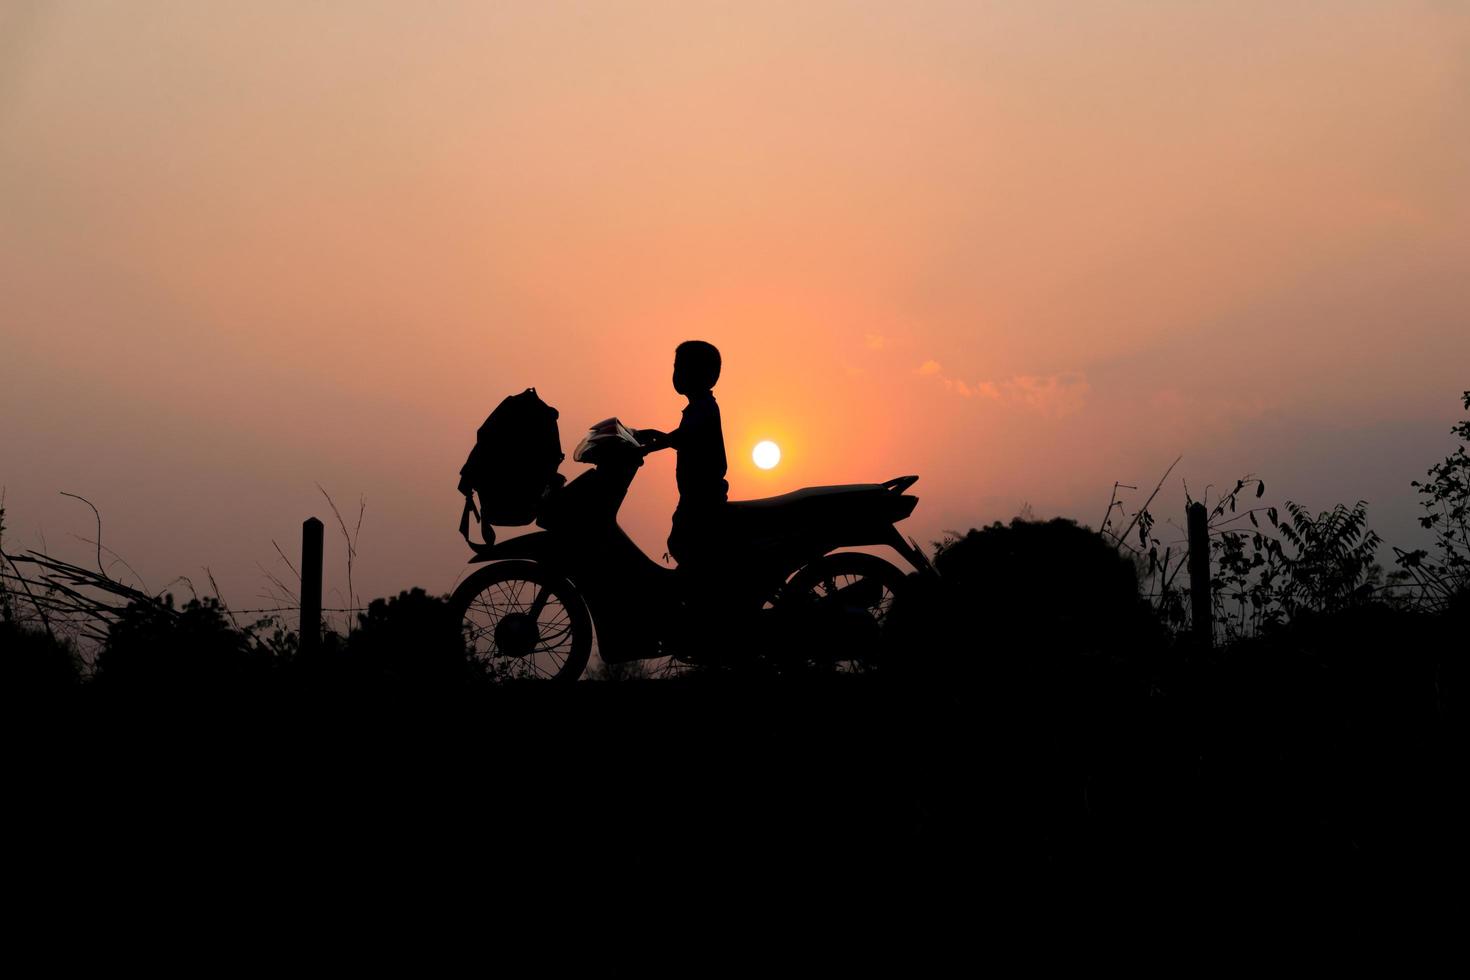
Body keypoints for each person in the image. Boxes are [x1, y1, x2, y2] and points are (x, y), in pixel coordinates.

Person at [638, 340, 729, 578]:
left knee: (684, 544)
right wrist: (654, 436)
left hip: (703, 498)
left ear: (702, 374)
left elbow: (685, 436)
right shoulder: (699, 407)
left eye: (681, 368)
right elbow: (683, 437)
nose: (676, 374)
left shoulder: (705, 407)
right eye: (675, 368)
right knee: (681, 542)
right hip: (695, 496)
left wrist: (652, 445)